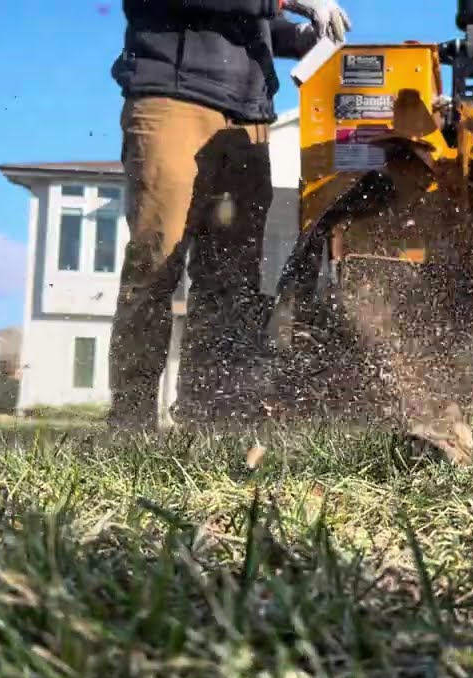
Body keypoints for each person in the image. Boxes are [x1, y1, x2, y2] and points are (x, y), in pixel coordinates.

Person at [106, 0, 352, 430]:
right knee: (157, 259)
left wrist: (298, 37)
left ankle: (210, 419)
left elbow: (257, 21)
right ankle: (131, 421)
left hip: (248, 116)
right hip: (174, 100)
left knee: (232, 277)